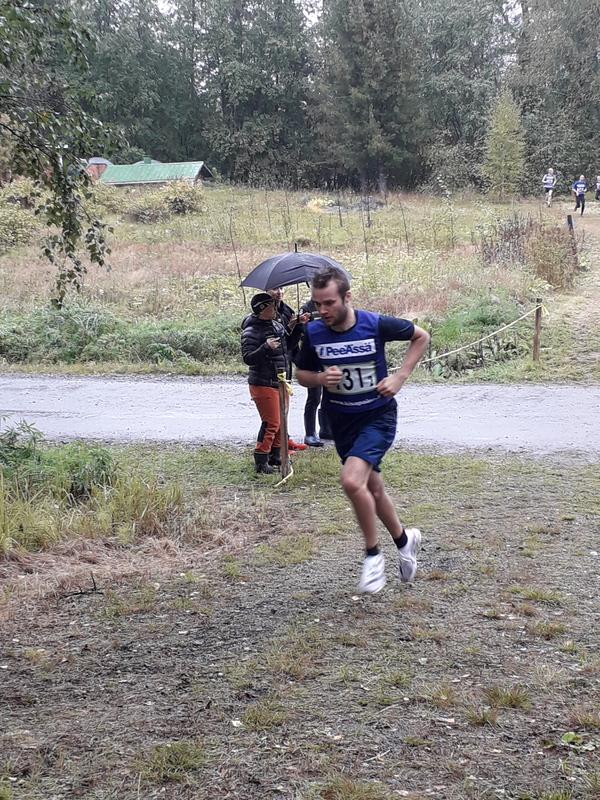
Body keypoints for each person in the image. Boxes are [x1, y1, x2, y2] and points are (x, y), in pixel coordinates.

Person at [295, 266, 430, 593]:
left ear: (347, 297)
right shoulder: (314, 332)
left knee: (352, 481)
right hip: (341, 421)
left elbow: (421, 336)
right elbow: (301, 374)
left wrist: (399, 377)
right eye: (317, 304)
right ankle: (405, 541)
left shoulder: (375, 324)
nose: (323, 310)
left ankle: (373, 556)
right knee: (373, 489)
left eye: (329, 303)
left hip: (377, 417)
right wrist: (319, 378)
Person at [241, 293, 294, 474]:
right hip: (262, 382)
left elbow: (288, 346)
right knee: (272, 422)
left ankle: (276, 455)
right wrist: (265, 347)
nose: (275, 309)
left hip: (280, 379)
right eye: (272, 306)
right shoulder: (250, 331)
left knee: (282, 421)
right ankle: (261, 459)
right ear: (262, 310)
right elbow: (248, 358)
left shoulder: (277, 325)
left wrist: (297, 326)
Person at [267, 286, 310, 451]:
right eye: (274, 289)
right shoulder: (265, 312)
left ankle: (284, 438)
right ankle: (275, 446)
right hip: (271, 366)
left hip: (286, 361)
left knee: (285, 404)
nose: (279, 292)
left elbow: (291, 344)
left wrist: (299, 325)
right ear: (266, 290)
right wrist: (291, 326)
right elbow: (279, 342)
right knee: (274, 410)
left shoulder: (286, 310)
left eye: (281, 288)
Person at [299, 297, 332, 447]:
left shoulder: (331, 304)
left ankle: (326, 429)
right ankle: (310, 433)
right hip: (313, 356)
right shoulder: (307, 308)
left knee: (331, 395)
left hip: (330, 354)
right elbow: (301, 333)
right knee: (314, 397)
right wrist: (303, 325)